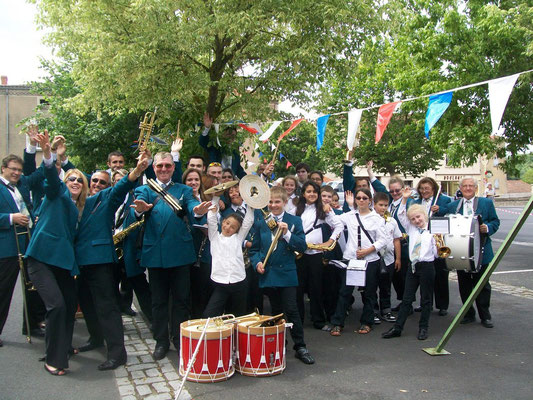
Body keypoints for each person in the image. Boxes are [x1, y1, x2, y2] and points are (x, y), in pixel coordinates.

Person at [74, 147, 149, 371]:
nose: (97, 184)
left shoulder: (106, 199)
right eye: (94, 181)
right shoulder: (77, 202)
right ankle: (96, 338)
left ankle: (117, 353)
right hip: (77, 262)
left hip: (99, 261)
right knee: (87, 305)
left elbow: (122, 186)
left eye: (102, 182)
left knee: (107, 307)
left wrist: (136, 171)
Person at [132, 152, 210, 361]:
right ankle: (161, 341)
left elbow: (192, 210)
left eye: (167, 166)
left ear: (173, 168)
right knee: (158, 302)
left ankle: (179, 338)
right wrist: (140, 210)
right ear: (154, 167)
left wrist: (199, 211)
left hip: (180, 253)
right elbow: (137, 208)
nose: (164, 169)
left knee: (181, 301)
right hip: (155, 254)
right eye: (160, 166)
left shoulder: (183, 190)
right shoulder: (145, 188)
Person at [24, 131, 87, 376]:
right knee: (57, 307)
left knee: (69, 307)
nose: (74, 182)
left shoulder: (80, 208)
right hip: (40, 259)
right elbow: (51, 176)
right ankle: (53, 359)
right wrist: (49, 154)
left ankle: (62, 349)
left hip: (64, 265)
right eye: (70, 178)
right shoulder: (56, 194)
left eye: (79, 180)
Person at [250, 186, 315, 365]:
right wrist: (257, 263)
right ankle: (280, 344)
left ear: (285, 203)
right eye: (270, 202)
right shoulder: (261, 221)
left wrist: (287, 234)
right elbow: (254, 249)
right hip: (268, 274)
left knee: (291, 310)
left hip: (286, 273)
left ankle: (300, 346)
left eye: (277, 202)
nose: (273, 205)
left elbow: (301, 246)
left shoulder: (294, 221)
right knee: (276, 312)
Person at [0, 150, 44, 347]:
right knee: (3, 291)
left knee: (32, 287)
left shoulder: (21, 186)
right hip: (7, 247)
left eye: (19, 170)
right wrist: (11, 218)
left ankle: (32, 325)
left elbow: (39, 173)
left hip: (27, 243)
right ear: (3, 169)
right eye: (13, 170)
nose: (17, 173)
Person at [329, 188, 388, 336]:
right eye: (359, 198)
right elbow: (334, 221)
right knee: (345, 291)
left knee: (369, 292)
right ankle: (337, 322)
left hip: (370, 260)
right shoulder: (350, 216)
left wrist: (369, 250)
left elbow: (383, 240)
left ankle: (367, 322)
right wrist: (328, 208)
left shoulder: (377, 219)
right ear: (355, 200)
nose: (361, 200)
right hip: (351, 259)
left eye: (364, 198)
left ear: (370, 201)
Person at [443, 177, 500, 328]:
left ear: (475, 188)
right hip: (460, 252)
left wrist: (486, 228)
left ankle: (485, 315)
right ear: (460, 188)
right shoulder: (453, 205)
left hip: (482, 251)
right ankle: (468, 313)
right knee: (464, 284)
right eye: (465, 186)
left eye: (471, 186)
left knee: (482, 285)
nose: (468, 188)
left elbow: (495, 221)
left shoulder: (486, 203)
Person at [382, 187, 437, 340]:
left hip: (427, 266)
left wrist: (439, 241)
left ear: (424, 215)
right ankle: (398, 328)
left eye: (418, 217)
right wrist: (404, 199)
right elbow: (401, 215)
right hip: (413, 267)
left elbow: (438, 254)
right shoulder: (411, 229)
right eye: (413, 219)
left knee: (426, 299)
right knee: (406, 299)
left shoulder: (433, 230)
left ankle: (423, 328)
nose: (416, 221)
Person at [365, 162, 413, 312]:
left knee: (403, 277)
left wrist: (404, 199)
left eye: (397, 190)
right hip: (388, 247)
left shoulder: (409, 201)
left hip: (403, 244)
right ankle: (399, 302)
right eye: (392, 191)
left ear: (403, 189)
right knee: (391, 279)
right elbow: (379, 188)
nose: (395, 193)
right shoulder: (389, 203)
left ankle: (407, 304)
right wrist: (370, 172)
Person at [295, 181, 343, 330]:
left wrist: (330, 240)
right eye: (308, 191)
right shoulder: (296, 208)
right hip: (299, 254)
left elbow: (339, 225)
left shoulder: (323, 209)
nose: (311, 194)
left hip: (315, 253)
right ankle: (298, 321)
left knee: (316, 288)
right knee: (298, 289)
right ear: (303, 193)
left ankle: (318, 320)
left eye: (314, 191)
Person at [201, 194, 254, 317]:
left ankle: (235, 336)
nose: (228, 227)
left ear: (237, 230)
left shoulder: (238, 238)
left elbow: (248, 222)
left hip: (239, 282)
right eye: (227, 223)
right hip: (221, 283)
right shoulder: (214, 237)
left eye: (233, 227)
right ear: (223, 222)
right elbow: (212, 221)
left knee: (238, 315)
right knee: (210, 313)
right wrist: (215, 199)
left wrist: (251, 206)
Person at [414, 177, 451, 316]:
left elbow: (451, 211)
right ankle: (426, 304)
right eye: (422, 189)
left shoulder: (443, 200)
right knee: (424, 275)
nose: (424, 191)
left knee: (440, 273)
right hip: (423, 241)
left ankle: (442, 305)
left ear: (433, 189)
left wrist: (440, 209)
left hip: (437, 240)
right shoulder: (417, 202)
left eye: (427, 189)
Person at [372, 192, 402, 322]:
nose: (383, 208)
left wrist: (398, 258)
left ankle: (386, 310)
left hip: (388, 259)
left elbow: (396, 240)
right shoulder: (369, 219)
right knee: (371, 287)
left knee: (386, 286)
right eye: (380, 205)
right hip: (372, 258)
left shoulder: (392, 221)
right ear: (374, 205)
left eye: (386, 205)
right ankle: (372, 311)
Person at [199, 113, 246, 179]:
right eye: (228, 135)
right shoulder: (215, 147)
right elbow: (202, 142)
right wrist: (207, 128)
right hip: (216, 180)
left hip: (230, 182)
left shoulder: (235, 151)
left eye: (233, 136)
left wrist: (249, 179)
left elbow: (238, 169)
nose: (230, 138)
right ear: (223, 135)